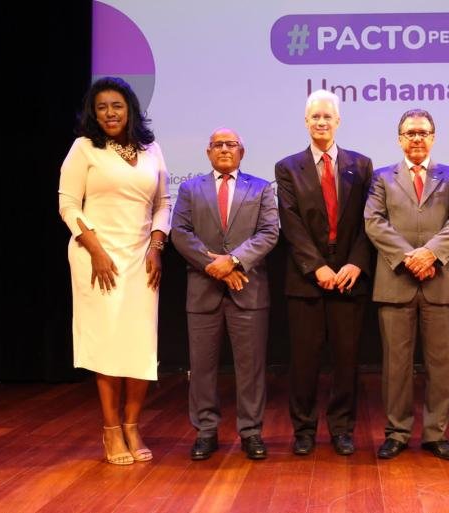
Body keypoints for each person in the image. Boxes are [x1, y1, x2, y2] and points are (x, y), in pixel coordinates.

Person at [58, 77, 171, 465]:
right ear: (94, 112)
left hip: (141, 258)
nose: (110, 113)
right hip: (97, 259)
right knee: (108, 343)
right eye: (102, 107)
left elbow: (163, 203)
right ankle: (110, 429)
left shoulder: (151, 148)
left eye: (117, 106)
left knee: (139, 342)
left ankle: (132, 425)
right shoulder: (84, 148)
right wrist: (95, 249)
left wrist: (156, 246)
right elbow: (68, 204)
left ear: (130, 110)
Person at [364, 109, 449, 460]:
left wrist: (431, 254)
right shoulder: (382, 177)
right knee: (396, 366)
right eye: (410, 133)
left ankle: (436, 434)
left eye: (423, 132)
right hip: (397, 281)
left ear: (433, 137)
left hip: (440, 280)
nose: (417, 138)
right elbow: (374, 222)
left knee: (441, 365)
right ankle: (397, 432)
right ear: (399, 139)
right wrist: (410, 258)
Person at [275, 90, 374, 456]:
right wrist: (316, 267)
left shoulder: (361, 165)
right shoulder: (288, 167)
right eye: (315, 116)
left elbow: (369, 222)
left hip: (349, 277)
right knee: (304, 361)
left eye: (327, 116)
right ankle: (303, 430)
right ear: (306, 121)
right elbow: (291, 223)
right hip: (306, 279)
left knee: (346, 360)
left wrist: (355, 263)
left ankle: (342, 428)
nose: (321, 122)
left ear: (338, 121)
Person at [171, 128, 279, 461]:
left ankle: (251, 432)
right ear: (208, 152)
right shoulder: (190, 189)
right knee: (202, 368)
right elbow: (180, 233)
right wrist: (213, 265)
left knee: (251, 368)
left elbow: (269, 232)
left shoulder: (261, 188)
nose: (224, 149)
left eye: (230, 144)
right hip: (203, 291)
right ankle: (205, 431)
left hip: (248, 290)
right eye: (217, 145)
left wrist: (232, 262)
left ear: (241, 152)